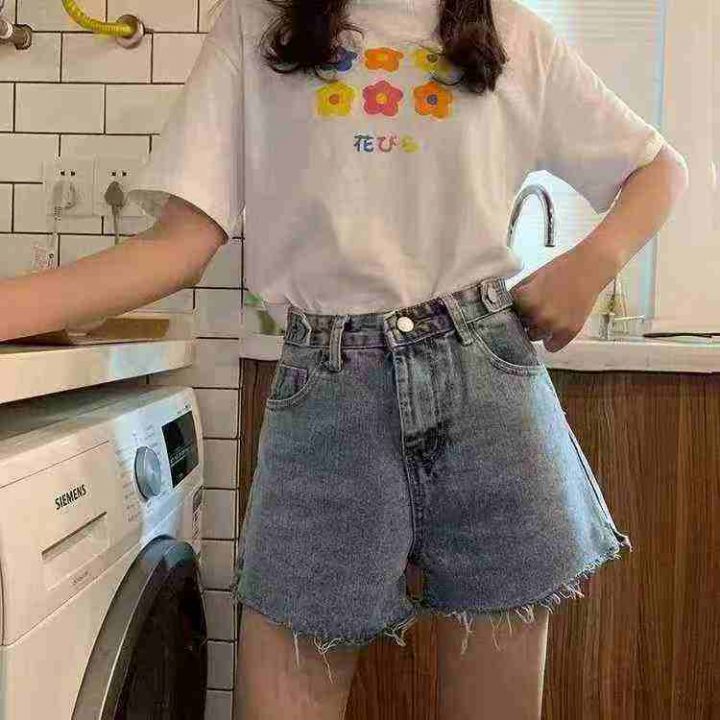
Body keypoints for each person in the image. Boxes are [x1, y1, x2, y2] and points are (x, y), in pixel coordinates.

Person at [0, 0, 688, 716]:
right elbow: (178, 246)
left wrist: (591, 264)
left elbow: (658, 168)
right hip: (328, 393)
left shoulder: (511, 31)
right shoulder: (257, 23)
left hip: (488, 382)